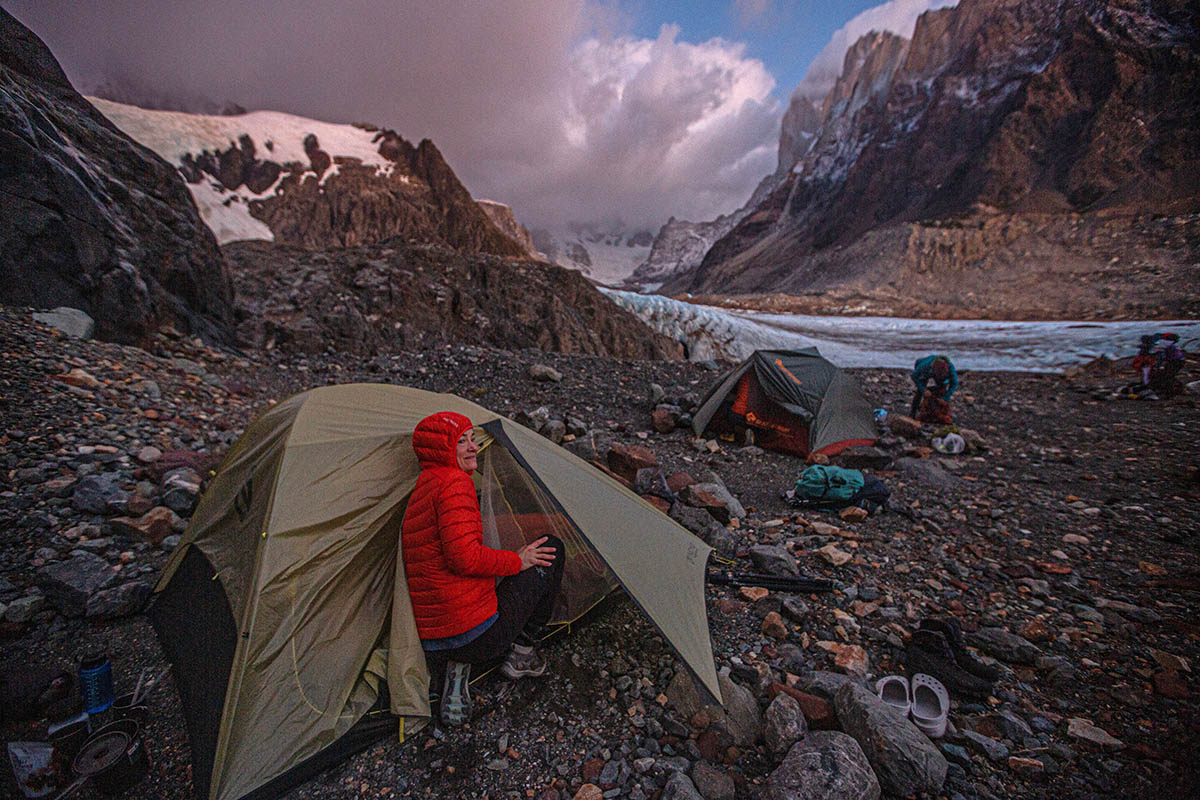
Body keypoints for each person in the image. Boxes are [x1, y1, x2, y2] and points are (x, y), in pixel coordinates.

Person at [401, 411, 564, 727]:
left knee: (503, 573)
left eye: (472, 438)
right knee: (551, 550)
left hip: (436, 640)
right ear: (442, 450)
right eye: (461, 442)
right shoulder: (454, 483)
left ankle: (457, 665)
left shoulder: (424, 486)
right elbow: (464, 558)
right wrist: (517, 561)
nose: (473, 447)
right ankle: (523, 654)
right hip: (478, 637)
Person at [910, 355, 958, 421]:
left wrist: (946, 397)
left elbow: (955, 383)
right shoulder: (924, 366)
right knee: (920, 392)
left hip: (941, 375)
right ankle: (913, 412)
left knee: (941, 391)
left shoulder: (950, 368)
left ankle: (937, 412)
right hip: (924, 370)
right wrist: (923, 389)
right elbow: (914, 376)